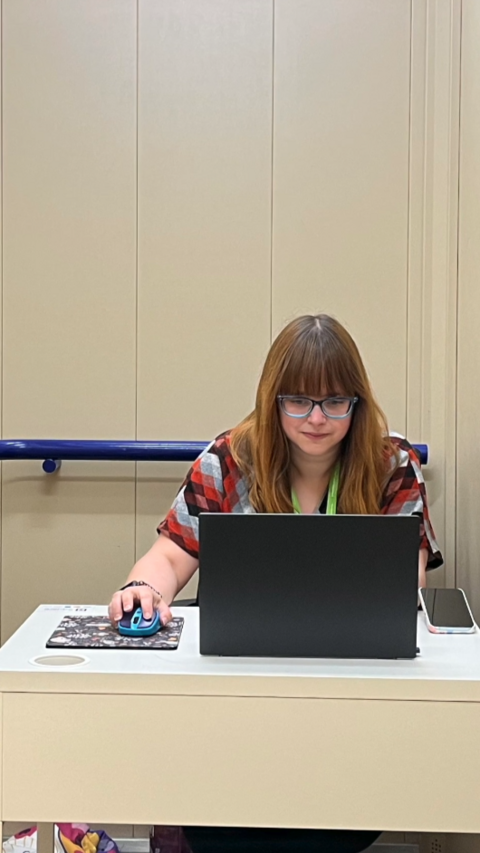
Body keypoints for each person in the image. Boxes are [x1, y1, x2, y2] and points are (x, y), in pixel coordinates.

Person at [109, 314, 442, 853]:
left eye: (335, 401)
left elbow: (405, 584)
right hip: (236, 701)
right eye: (298, 401)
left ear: (358, 402)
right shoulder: (228, 459)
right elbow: (169, 558)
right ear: (272, 399)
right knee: (222, 825)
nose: (317, 418)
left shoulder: (392, 465)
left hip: (348, 702)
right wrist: (144, 590)